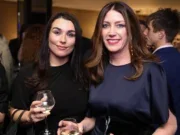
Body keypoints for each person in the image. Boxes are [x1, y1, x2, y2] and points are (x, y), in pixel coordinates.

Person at [58, 1, 177, 135]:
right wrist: (79, 127)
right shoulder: (97, 68)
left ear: (131, 30)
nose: (111, 32)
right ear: (100, 31)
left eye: (120, 25)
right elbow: (95, 118)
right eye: (105, 25)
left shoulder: (150, 71)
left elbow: (170, 125)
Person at [10, 12, 89, 135]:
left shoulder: (86, 74)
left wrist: (80, 128)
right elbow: (13, 111)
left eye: (70, 34)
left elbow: (95, 116)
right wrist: (29, 116)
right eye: (57, 32)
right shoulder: (28, 72)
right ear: (47, 36)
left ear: (76, 40)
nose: (63, 40)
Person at [144, 8, 180, 135]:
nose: (145, 33)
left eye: (148, 29)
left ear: (160, 34)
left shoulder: (155, 63)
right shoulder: (177, 57)